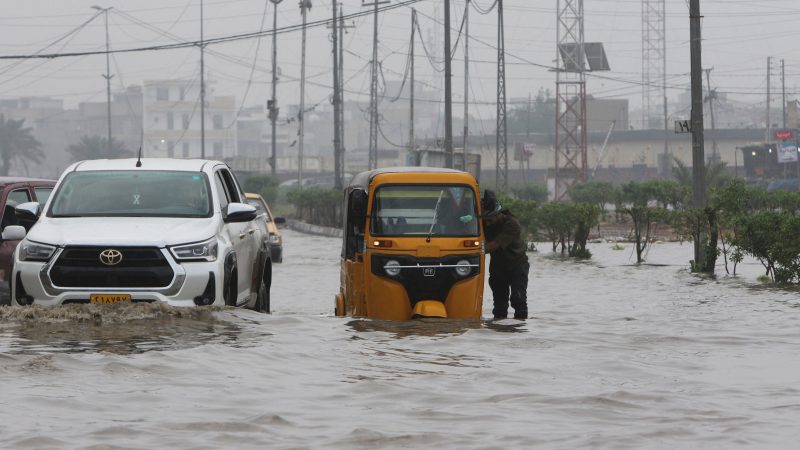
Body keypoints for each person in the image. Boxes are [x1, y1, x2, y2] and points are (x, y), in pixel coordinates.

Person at [481, 189, 530, 319]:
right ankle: (499, 333)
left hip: (517, 265)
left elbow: (494, 245)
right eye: (485, 221)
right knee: (499, 306)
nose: (487, 224)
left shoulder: (512, 224)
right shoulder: (485, 222)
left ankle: (519, 330)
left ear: (498, 214)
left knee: (518, 300)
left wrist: (472, 251)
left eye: (490, 220)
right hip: (498, 267)